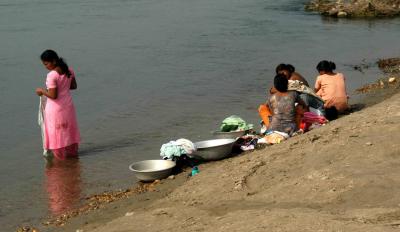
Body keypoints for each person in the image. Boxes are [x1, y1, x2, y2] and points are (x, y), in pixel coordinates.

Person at [35, 50, 80, 160]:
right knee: (68, 131)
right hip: (68, 106)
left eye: (46, 63)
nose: (45, 66)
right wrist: (62, 87)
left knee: (57, 133)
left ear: (54, 61)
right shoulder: (69, 70)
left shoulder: (52, 75)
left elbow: (53, 95)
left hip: (55, 109)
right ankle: (72, 158)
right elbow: (73, 86)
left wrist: (41, 91)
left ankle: (61, 162)